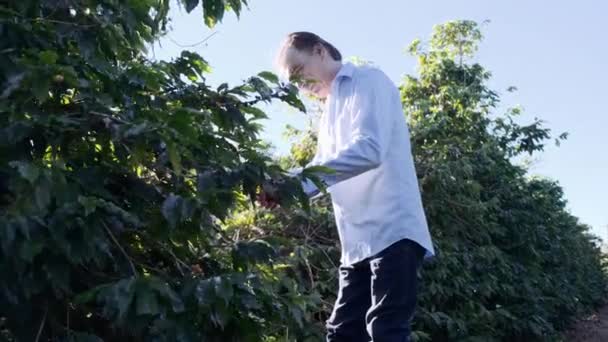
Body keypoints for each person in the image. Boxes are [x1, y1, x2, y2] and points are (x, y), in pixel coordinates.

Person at [258, 31, 435, 342]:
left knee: (386, 330)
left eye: (299, 71)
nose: (299, 85)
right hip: (355, 243)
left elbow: (370, 149)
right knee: (342, 333)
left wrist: (296, 182)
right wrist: (285, 188)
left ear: (319, 51)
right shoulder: (329, 113)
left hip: (392, 230)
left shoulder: (367, 80)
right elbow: (321, 172)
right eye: (293, 81)